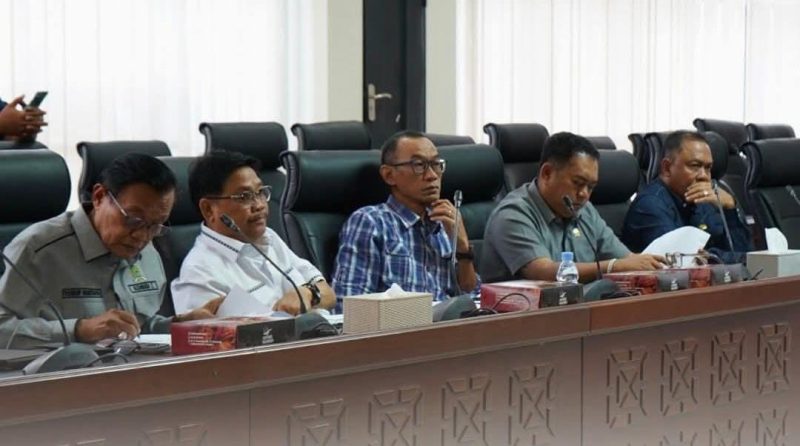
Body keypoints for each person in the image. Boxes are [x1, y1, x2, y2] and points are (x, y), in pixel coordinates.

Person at [0, 153, 220, 349]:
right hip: (50, 382)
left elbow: (136, 328)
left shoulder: (148, 251)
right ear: (99, 197)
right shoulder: (39, 249)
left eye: (156, 225)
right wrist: (79, 330)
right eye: (133, 220)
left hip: (128, 377)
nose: (142, 237)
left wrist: (181, 324)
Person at [481, 132, 666, 283]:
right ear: (547, 173)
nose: (584, 194)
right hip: (516, 321)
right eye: (578, 183)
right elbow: (543, 272)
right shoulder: (513, 214)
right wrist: (613, 267)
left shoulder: (583, 210)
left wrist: (660, 267)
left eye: (591, 187)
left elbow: (626, 259)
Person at [171, 151, 335, 315]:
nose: (259, 205)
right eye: (244, 196)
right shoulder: (200, 272)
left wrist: (307, 293)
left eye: (261, 192)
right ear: (208, 209)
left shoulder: (269, 238)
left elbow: (329, 294)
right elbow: (205, 336)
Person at [332, 130, 479, 302]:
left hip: (450, 325)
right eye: (419, 165)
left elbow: (472, 297)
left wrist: (462, 248)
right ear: (389, 175)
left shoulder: (444, 223)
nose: (432, 175)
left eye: (436, 164)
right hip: (401, 326)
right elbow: (350, 306)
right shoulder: (371, 222)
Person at [622, 130, 751, 264]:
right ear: (667, 168)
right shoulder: (650, 205)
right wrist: (716, 256)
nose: (704, 176)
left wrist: (730, 207)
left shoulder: (704, 199)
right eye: (695, 166)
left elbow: (746, 256)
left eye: (708, 168)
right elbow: (681, 261)